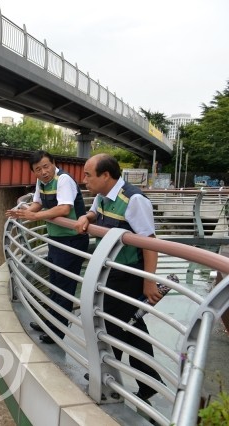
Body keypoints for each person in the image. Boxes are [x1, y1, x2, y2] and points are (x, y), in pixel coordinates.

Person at [74, 153, 163, 402]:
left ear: (106, 175)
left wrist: (148, 281)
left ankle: (120, 378)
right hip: (109, 271)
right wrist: (85, 217)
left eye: (88, 175)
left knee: (121, 326)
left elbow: (150, 243)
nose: (84, 180)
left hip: (127, 275)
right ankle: (139, 380)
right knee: (123, 326)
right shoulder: (103, 196)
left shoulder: (133, 200)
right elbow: (94, 213)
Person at [6, 150, 88, 344]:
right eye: (38, 169)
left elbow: (64, 208)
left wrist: (35, 216)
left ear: (53, 163)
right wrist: (23, 212)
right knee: (54, 284)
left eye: (46, 166)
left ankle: (57, 331)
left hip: (72, 241)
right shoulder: (41, 183)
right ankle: (49, 322)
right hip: (55, 239)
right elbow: (37, 202)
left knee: (64, 288)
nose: (43, 172)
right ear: (34, 172)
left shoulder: (63, 180)